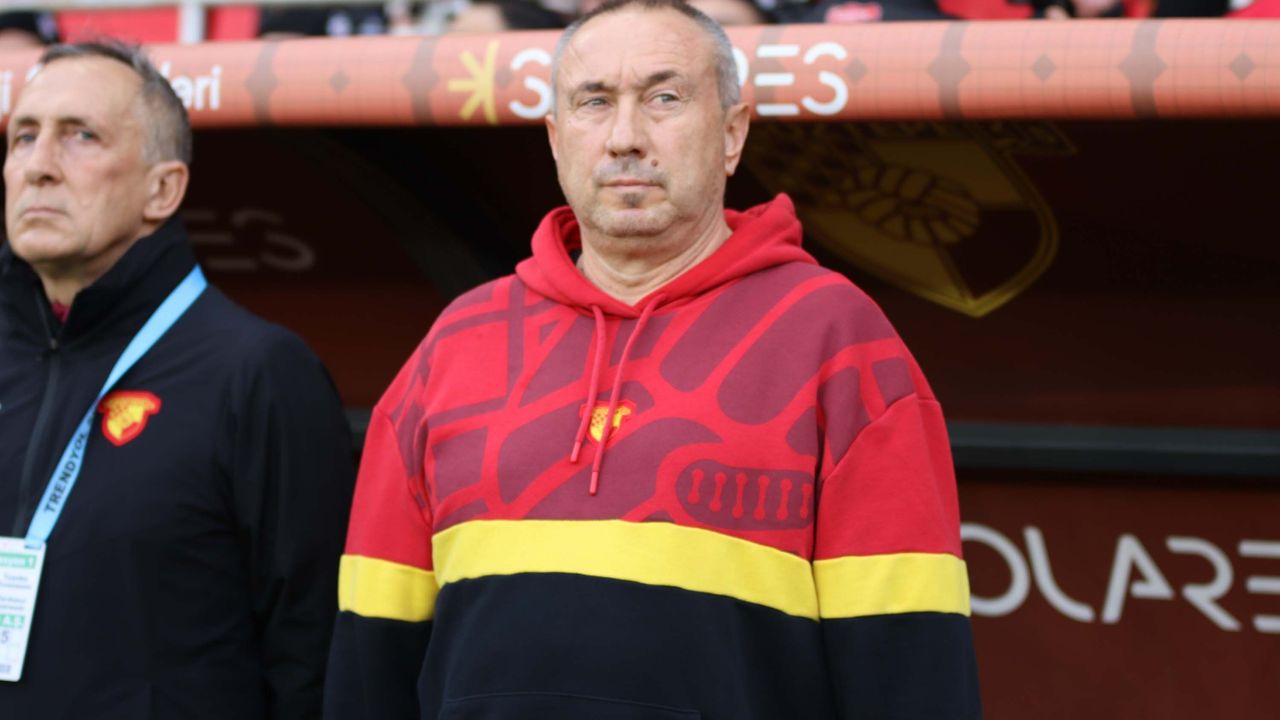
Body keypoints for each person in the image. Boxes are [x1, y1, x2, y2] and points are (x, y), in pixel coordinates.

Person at [325, 0, 979, 717]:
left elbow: (911, 665)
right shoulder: (456, 340)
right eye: (594, 102)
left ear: (732, 133)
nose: (625, 138)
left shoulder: (837, 336)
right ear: (555, 139)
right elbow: (371, 656)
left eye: (664, 98)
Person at [0, 42, 353, 719]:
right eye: (23, 136)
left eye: (80, 136)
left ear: (163, 189)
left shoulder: (258, 372)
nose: (38, 165)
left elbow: (314, 657)